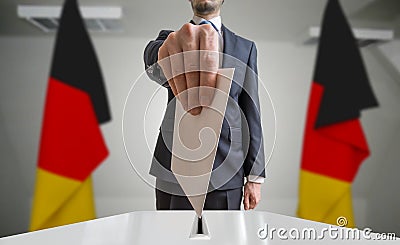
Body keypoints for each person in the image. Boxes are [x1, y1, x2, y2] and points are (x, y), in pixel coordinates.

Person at [143, 0, 265, 211]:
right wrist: (168, 48)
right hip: (174, 166)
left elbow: (251, 111)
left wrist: (255, 176)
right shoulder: (169, 40)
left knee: (223, 239)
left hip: (227, 168)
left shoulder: (245, 48)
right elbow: (153, 60)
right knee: (170, 237)